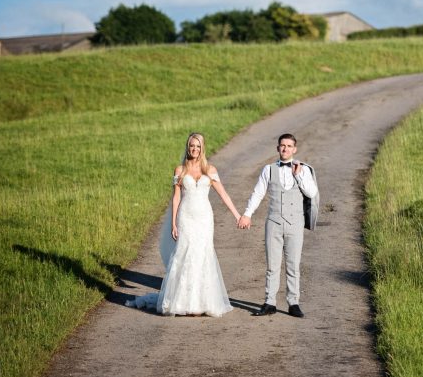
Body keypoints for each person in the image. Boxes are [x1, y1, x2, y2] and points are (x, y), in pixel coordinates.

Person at [127, 133, 241, 316]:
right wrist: (173, 223)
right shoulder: (180, 170)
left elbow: (224, 195)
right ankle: (182, 302)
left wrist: (237, 215)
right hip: (186, 217)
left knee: (203, 254)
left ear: (202, 148)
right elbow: (176, 197)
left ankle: (202, 302)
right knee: (185, 254)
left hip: (204, 218)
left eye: (197, 146)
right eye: (191, 146)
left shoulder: (210, 170)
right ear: (188, 147)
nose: (194, 149)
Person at [238, 133, 318, 318]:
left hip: (295, 224)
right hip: (273, 222)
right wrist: (247, 214)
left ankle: (293, 303)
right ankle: (269, 302)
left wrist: (298, 176)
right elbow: (257, 193)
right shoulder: (268, 169)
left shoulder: (303, 169)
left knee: (293, 265)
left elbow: (311, 192)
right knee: (272, 265)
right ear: (278, 148)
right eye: (282, 145)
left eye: (289, 146)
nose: (285, 149)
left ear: (294, 149)